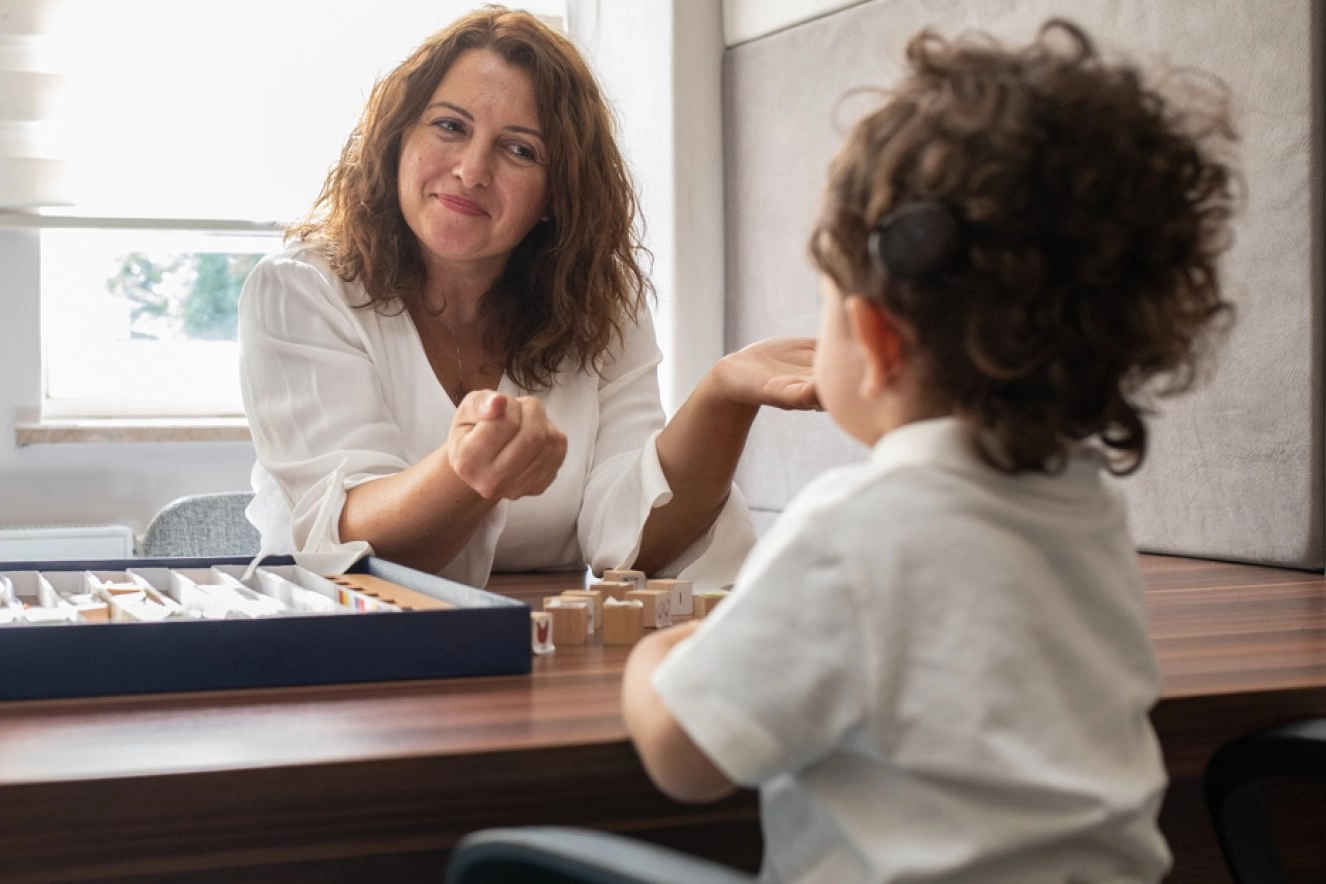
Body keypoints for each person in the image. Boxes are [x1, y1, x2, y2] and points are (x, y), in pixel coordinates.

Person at [623, 19, 1237, 884]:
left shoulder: (853, 526)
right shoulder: (1086, 513)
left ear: (875, 339)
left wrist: (659, 653)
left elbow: (687, 757)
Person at [238, 8, 816, 588]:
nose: (470, 170)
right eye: (449, 126)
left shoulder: (600, 307)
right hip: (342, 649)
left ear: (555, 195)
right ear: (396, 140)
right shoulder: (301, 289)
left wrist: (722, 398)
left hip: (545, 658)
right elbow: (344, 533)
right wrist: (466, 475)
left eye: (518, 150)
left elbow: (630, 541)